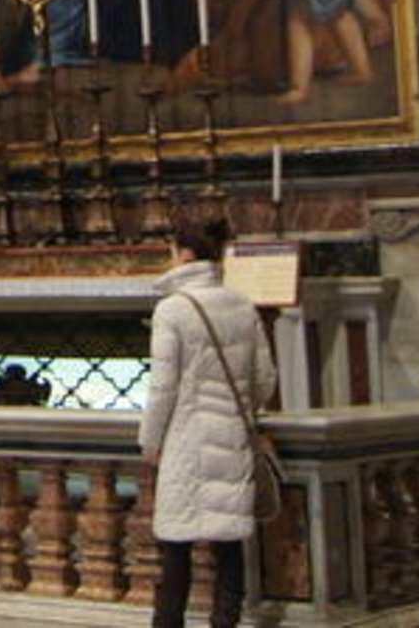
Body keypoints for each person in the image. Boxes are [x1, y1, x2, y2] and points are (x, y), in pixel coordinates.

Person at [139, 214, 275, 628]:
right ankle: (225, 622)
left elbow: (162, 387)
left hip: (186, 439)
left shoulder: (172, 309)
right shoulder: (242, 304)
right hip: (231, 435)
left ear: (183, 254)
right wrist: (239, 409)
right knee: (229, 544)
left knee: (176, 545)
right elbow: (265, 379)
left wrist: (150, 441)